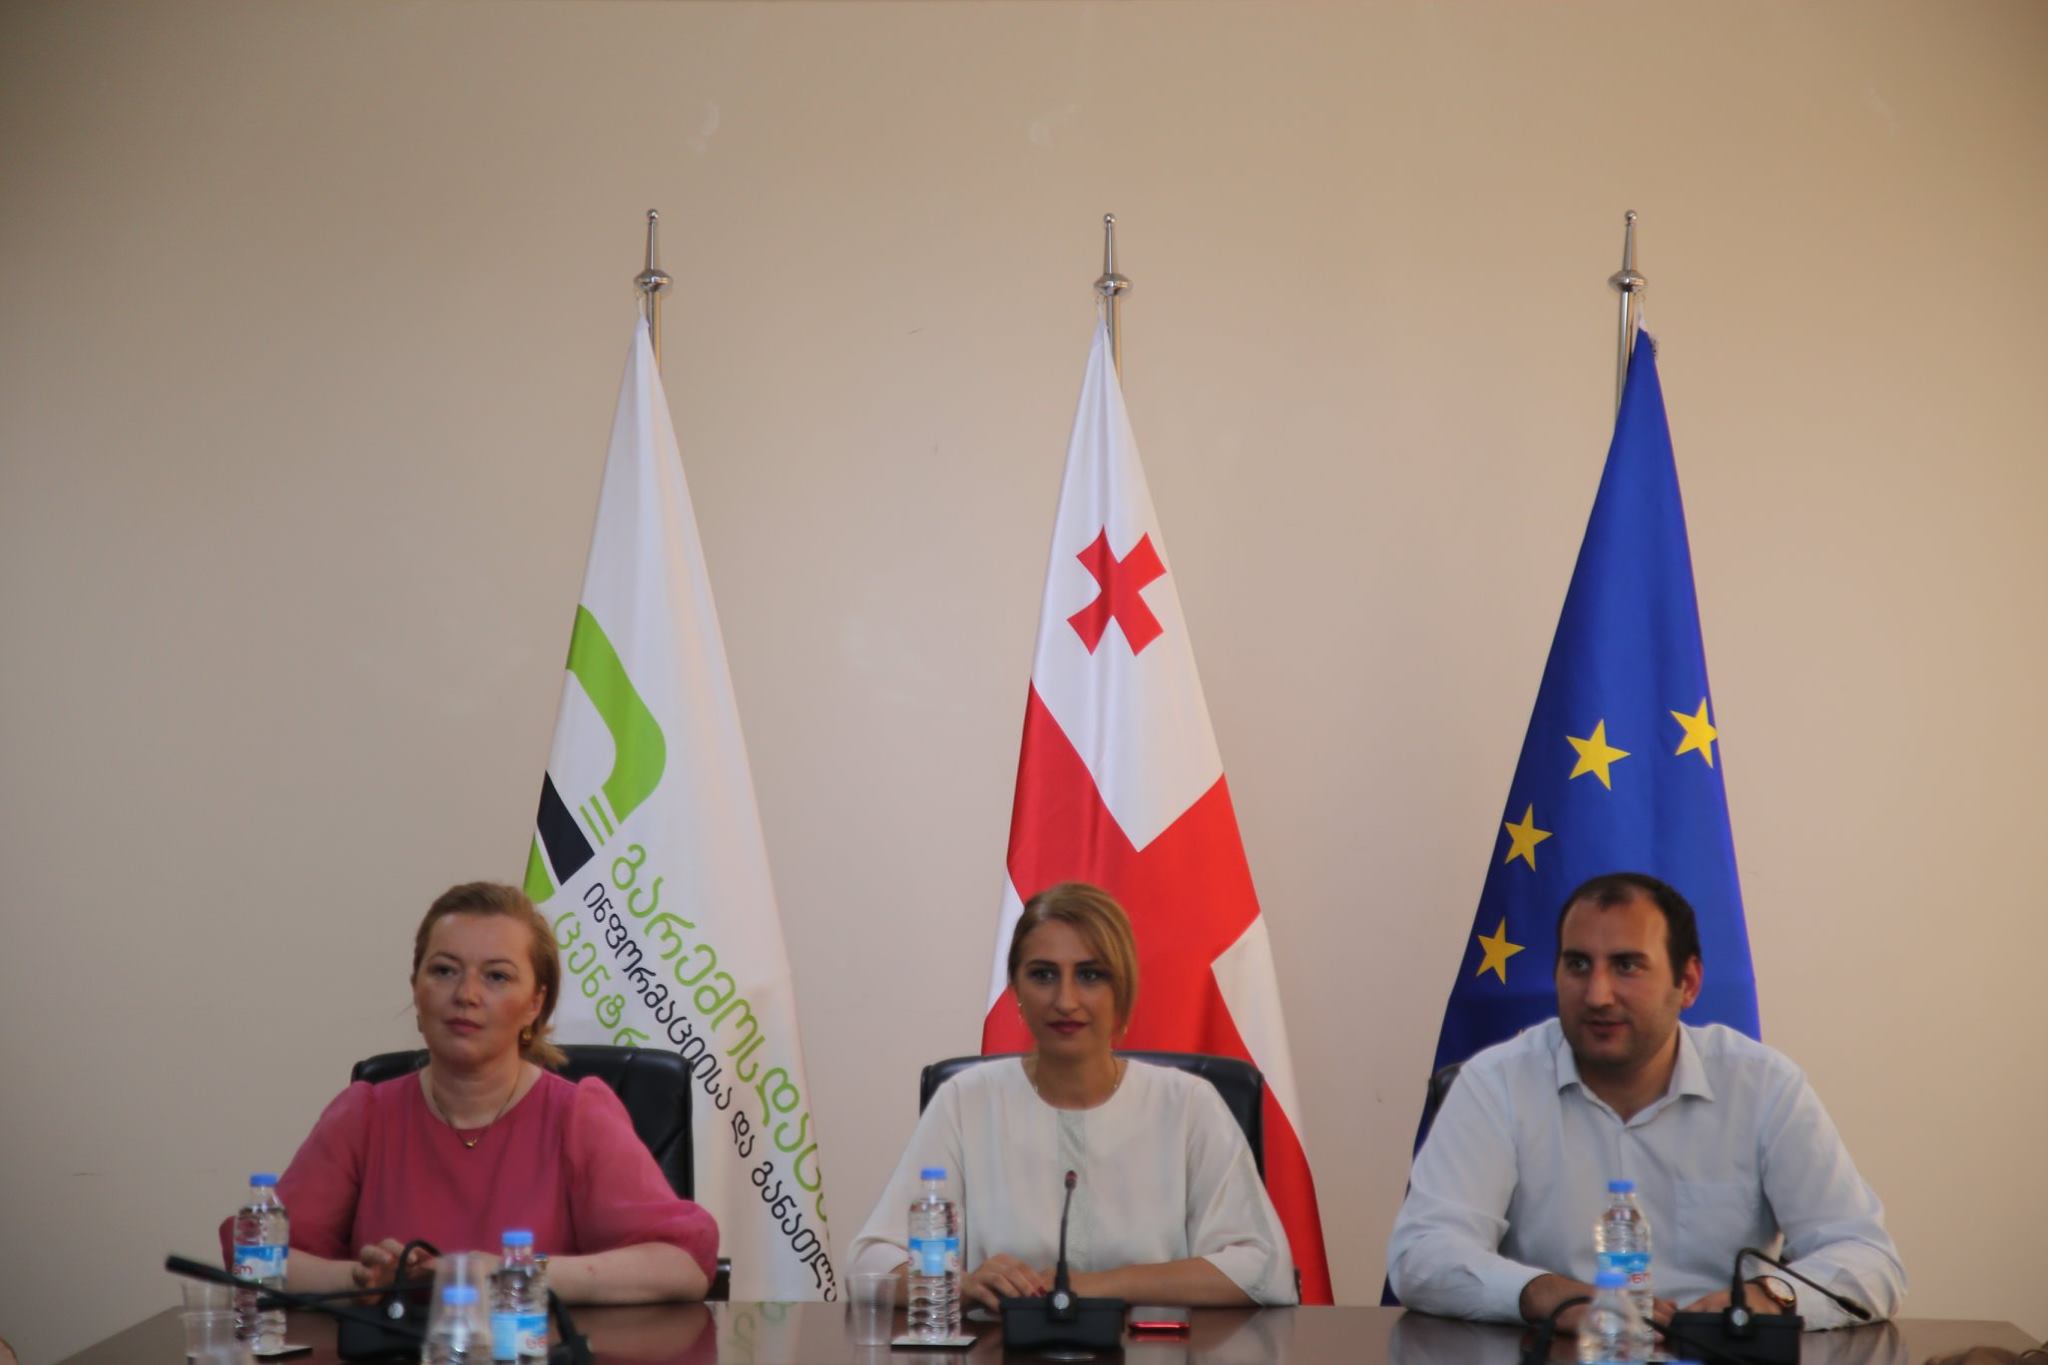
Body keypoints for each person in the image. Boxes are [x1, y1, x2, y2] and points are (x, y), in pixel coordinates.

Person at [1387, 871, 1905, 1332]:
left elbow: (1868, 1258)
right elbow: (1422, 1254)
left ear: (1688, 983)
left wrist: (1771, 1297)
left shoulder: (1763, 1086)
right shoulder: (1497, 1082)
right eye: (1577, 964)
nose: (1597, 994)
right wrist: (1550, 1296)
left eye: (1627, 966)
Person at [220, 881, 717, 1303]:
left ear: (535, 1004)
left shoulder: (577, 1116)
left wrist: (511, 1275)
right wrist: (361, 1280)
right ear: (416, 987)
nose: (466, 995)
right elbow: (253, 1258)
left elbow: (684, 1265)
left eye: (497, 976)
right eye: (444, 971)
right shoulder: (365, 1115)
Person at [849, 882, 1296, 1308]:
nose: (1065, 1000)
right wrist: (959, 1285)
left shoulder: (1188, 1105)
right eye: (1043, 975)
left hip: (1153, 1348)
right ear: (1016, 989)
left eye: (1090, 975)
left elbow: (1265, 1268)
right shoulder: (966, 1101)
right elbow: (869, 1264)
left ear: (1122, 990)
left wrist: (1093, 1287)